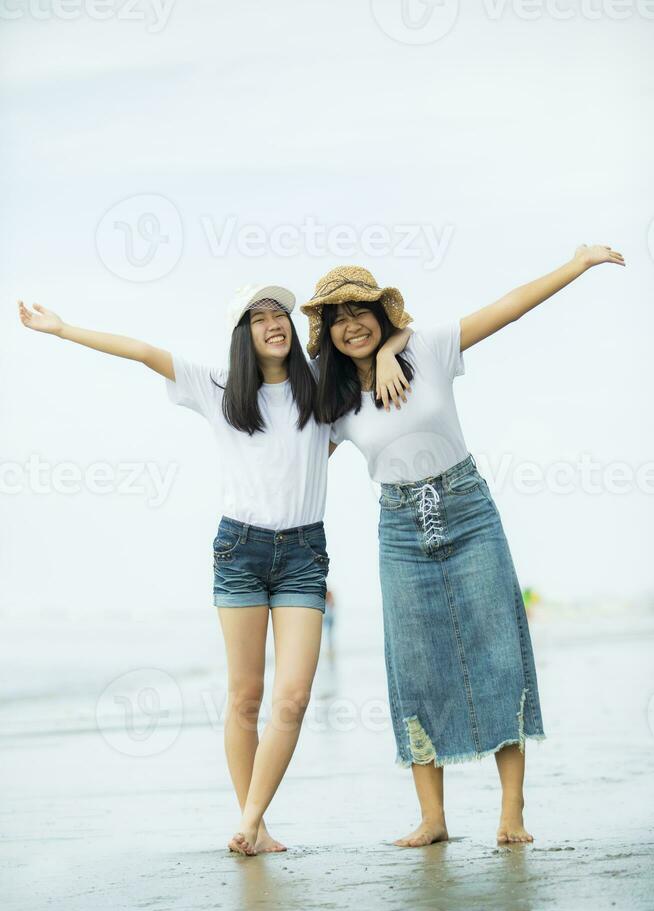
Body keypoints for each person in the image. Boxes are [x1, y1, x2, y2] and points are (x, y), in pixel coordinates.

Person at [17, 283, 408, 856]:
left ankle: (250, 819)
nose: (274, 323)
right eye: (259, 318)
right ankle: (258, 824)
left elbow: (379, 333)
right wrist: (62, 328)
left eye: (281, 315)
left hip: (303, 555)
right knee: (246, 696)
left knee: (294, 697)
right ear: (242, 336)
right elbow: (141, 351)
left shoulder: (322, 389)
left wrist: (391, 349)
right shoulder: (218, 387)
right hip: (240, 552)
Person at [302, 244, 625, 846]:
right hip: (398, 528)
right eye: (337, 316)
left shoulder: (426, 348)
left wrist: (576, 264)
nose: (351, 324)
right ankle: (433, 819)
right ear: (325, 328)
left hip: (468, 509)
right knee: (415, 667)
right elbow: (296, 458)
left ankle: (512, 814)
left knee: (499, 651)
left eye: (361, 311)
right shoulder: (333, 396)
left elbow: (507, 308)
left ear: (382, 313)